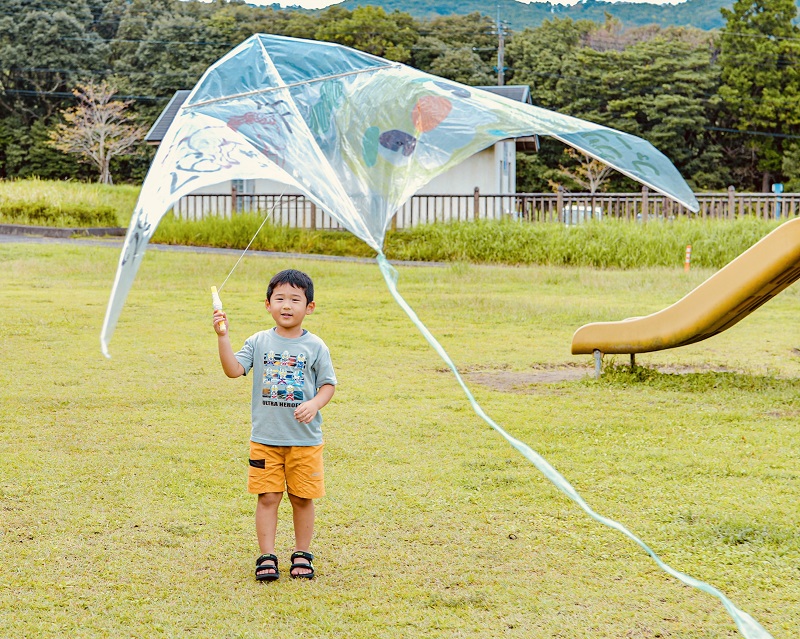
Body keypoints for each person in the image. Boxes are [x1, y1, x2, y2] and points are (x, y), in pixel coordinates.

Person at [213, 269, 336, 581]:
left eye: (295, 299)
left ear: (309, 307)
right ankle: (266, 555)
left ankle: (302, 554)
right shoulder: (258, 341)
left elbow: (328, 386)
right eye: (279, 298)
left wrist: (314, 403)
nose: (286, 305)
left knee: (301, 497)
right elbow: (233, 370)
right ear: (267, 304)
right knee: (267, 497)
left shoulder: (316, 346)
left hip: (305, 441)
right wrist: (223, 337)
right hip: (266, 439)